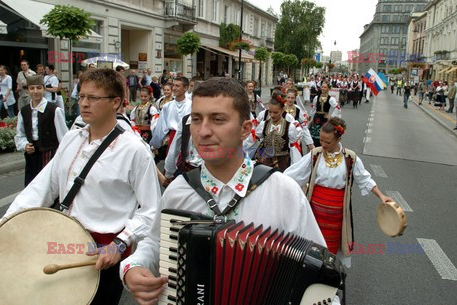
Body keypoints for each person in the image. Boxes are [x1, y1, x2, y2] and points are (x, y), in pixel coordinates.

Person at [120, 77, 328, 305]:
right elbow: (154, 243)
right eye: (196, 120)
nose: (203, 131)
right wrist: (133, 267)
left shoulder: (283, 191)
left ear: (246, 129)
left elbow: (320, 272)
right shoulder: (179, 190)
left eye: (218, 120)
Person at [1, 69, 161, 305]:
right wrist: (5, 223)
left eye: (93, 98)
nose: (84, 104)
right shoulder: (71, 139)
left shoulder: (135, 150)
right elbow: (43, 187)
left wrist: (121, 242)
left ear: (115, 102)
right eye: (82, 97)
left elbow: (151, 210)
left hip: (103, 251)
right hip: (63, 241)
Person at [285, 117, 392, 268]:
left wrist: (381, 196)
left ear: (339, 138)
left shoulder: (350, 158)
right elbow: (294, 174)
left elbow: (364, 179)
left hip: (337, 217)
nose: (323, 145)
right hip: (314, 213)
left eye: (327, 142)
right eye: (321, 140)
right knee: (312, 248)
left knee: (331, 251)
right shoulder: (315, 155)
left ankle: (329, 279)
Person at [13, 75, 68, 185]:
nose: (35, 91)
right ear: (28, 90)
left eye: (39, 88)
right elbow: (20, 134)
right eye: (32, 88)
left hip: (50, 154)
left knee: (47, 186)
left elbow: (64, 137)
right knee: (31, 185)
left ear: (43, 89)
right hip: (32, 155)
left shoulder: (54, 110)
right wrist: (25, 145)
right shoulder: (24, 112)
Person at [255, 94, 302, 171]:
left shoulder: (289, 127)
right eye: (270, 112)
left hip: (282, 163)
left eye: (275, 112)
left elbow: (294, 150)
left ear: (282, 110)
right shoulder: (264, 124)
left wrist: (296, 169)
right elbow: (252, 139)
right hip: (265, 162)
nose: (272, 115)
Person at [150, 76, 191, 152]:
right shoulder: (167, 106)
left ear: (185, 88)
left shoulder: (191, 105)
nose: (174, 88)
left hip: (188, 139)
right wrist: (155, 144)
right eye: (173, 85)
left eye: (177, 86)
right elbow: (161, 127)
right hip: (173, 139)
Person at [309, 82, 341, 146]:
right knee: (313, 136)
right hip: (316, 118)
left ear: (328, 89)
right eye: (322, 87)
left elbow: (337, 108)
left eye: (325, 87)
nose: (323, 88)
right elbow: (314, 108)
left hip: (324, 119)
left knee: (323, 135)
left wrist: (331, 116)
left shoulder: (330, 99)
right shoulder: (316, 98)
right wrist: (310, 116)